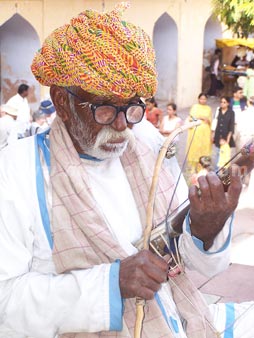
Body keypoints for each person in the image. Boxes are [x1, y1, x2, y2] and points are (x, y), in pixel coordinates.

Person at [0, 4, 252, 338]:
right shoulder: (15, 171)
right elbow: (6, 301)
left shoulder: (145, 144)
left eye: (132, 107)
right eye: (104, 108)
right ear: (62, 101)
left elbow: (189, 267)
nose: (121, 125)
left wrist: (206, 230)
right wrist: (110, 284)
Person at [186, 93, 212, 173]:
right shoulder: (195, 107)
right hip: (195, 131)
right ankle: (192, 168)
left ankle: (202, 168)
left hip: (205, 133)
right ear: (198, 99)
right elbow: (191, 118)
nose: (203, 100)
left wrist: (205, 118)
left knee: (203, 149)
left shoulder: (208, 108)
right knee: (194, 148)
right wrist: (200, 117)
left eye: (204, 99)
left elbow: (209, 120)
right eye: (201, 99)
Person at [212, 96, 235, 170]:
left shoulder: (231, 113)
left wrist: (227, 139)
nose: (222, 104)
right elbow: (214, 123)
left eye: (224, 102)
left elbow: (231, 126)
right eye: (221, 102)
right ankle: (216, 171)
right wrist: (212, 135)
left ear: (228, 103)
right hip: (218, 135)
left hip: (226, 137)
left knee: (224, 155)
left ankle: (223, 173)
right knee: (218, 153)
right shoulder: (218, 110)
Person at [229, 86, 247, 152]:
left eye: (242, 93)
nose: (242, 94)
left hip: (241, 126)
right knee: (229, 146)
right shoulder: (229, 102)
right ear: (235, 94)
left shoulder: (243, 102)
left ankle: (238, 162)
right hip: (232, 126)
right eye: (240, 93)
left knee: (240, 146)